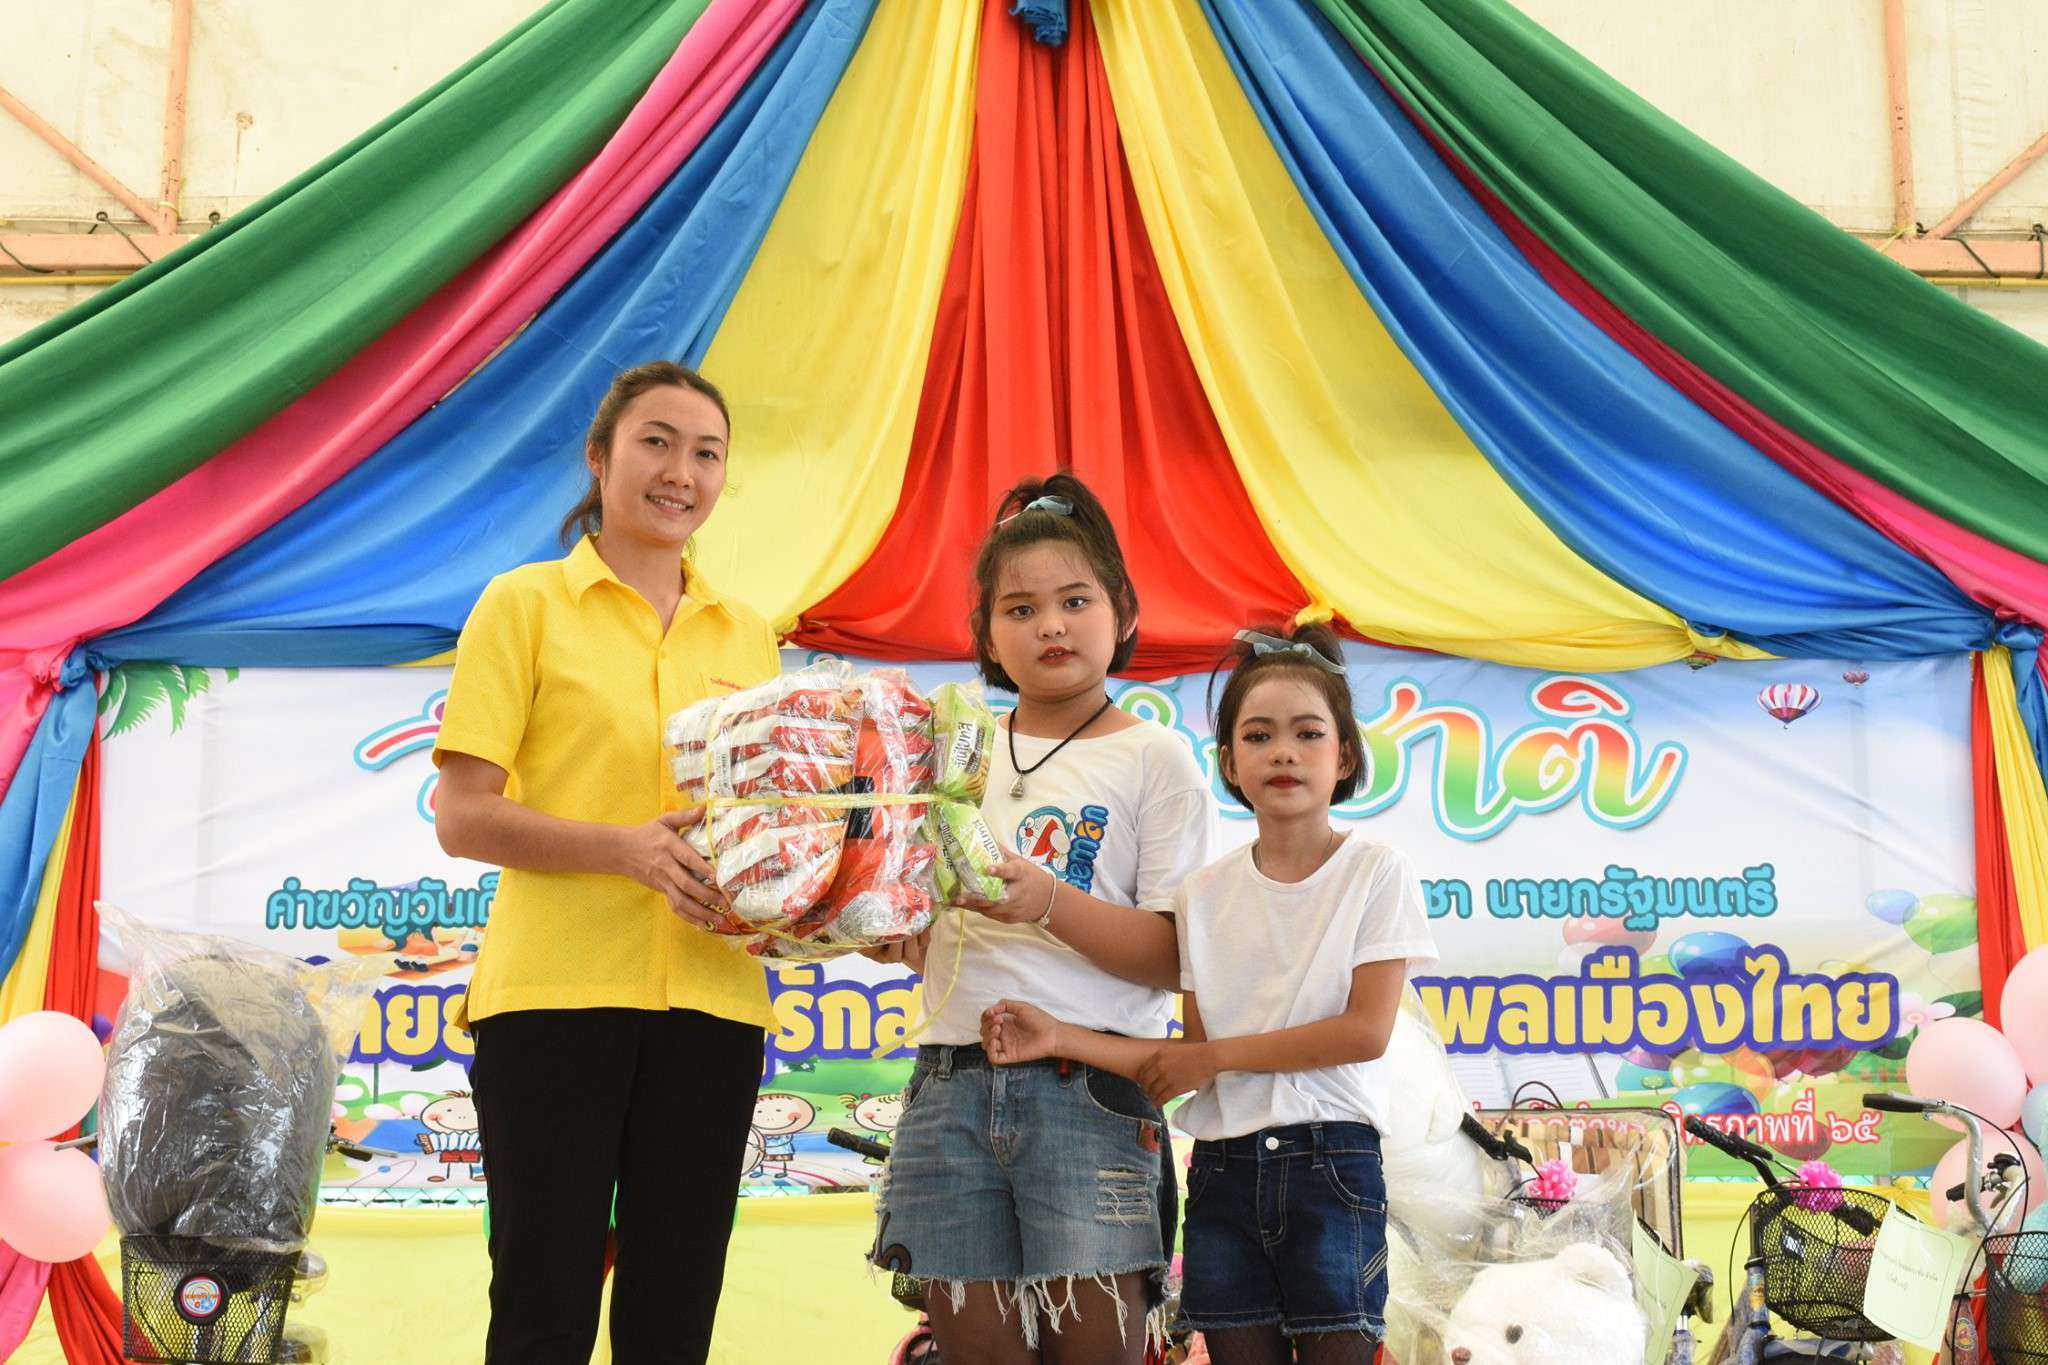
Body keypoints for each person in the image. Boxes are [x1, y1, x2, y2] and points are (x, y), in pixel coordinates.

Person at [433, 361, 780, 1363]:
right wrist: (623, 851)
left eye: (706, 453)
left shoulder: (749, 634)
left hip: (714, 1003)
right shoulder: (523, 604)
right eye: (656, 442)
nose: (681, 472)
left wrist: (806, 902)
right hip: (553, 999)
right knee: (542, 1308)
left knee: (674, 1316)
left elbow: (767, 827)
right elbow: (462, 816)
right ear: (599, 456)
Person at [984, 623, 1438, 1365]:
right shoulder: (1202, 895)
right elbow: (1188, 1058)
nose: (1283, 752)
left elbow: (1364, 1032)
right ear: (1228, 761)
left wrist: (1215, 1057)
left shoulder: (1376, 870)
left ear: (1346, 756)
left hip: (1331, 1162)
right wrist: (1059, 1037)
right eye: (1259, 736)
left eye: (1308, 733)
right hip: (1223, 1171)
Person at [869, 475, 1214, 1364]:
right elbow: (932, 938)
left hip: (1089, 1092)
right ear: (986, 635)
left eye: (1074, 600)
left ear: (1122, 609)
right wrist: (898, 934)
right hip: (948, 1080)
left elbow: (1180, 958)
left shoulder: (1157, 759)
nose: (1051, 626)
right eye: (1020, 609)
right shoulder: (952, 755)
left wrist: (1048, 901)